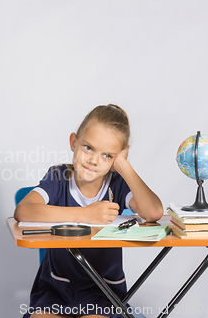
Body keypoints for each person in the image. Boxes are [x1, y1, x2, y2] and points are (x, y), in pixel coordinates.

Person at [14, 104, 163, 318]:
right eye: (88, 148)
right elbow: (23, 210)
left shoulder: (117, 185)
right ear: (74, 142)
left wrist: (123, 165)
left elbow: (154, 212)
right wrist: (85, 215)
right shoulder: (58, 177)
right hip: (56, 289)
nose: (94, 160)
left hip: (103, 291)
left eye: (107, 155)